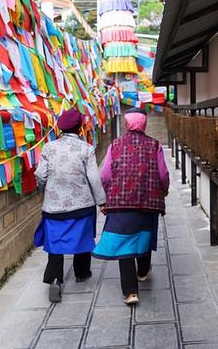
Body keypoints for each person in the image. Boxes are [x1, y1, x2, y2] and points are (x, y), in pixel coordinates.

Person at [93, 108, 170, 305]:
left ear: (127, 124)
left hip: (120, 202)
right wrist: (164, 190)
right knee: (144, 234)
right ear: (144, 124)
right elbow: (162, 174)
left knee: (123, 243)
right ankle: (143, 271)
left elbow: (105, 175)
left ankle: (130, 292)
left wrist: (109, 193)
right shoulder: (154, 145)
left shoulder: (115, 145)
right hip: (148, 200)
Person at [34, 108, 106, 303]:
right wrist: (102, 201)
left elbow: (40, 174)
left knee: (55, 243)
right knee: (82, 238)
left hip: (54, 207)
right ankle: (82, 273)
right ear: (80, 127)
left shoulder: (49, 148)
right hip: (82, 205)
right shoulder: (86, 148)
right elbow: (93, 178)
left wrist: (45, 191)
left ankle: (55, 279)